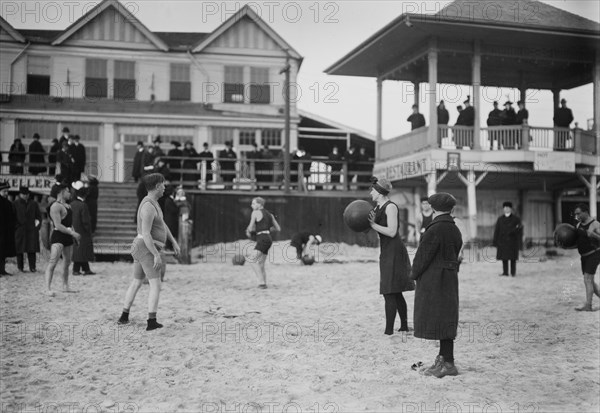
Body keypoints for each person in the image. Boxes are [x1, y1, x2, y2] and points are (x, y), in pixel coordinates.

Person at [117, 173, 180, 330]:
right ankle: (151, 321)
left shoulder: (154, 203)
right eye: (163, 185)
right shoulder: (148, 206)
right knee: (155, 285)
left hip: (141, 247)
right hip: (145, 247)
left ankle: (124, 316)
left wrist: (173, 241)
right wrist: (156, 254)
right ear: (157, 186)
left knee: (137, 282)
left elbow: (162, 224)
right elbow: (146, 234)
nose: (165, 187)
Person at [410, 192, 462, 378]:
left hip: (434, 280)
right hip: (449, 279)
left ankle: (448, 363)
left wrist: (413, 274)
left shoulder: (434, 229)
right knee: (446, 318)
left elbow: (422, 256)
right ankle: (444, 359)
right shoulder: (454, 229)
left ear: (433, 208)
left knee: (439, 318)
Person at [367, 177, 413, 335]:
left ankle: (389, 331)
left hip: (394, 249)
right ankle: (404, 326)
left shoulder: (390, 207)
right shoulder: (377, 207)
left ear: (379, 192)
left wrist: (373, 225)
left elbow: (392, 231)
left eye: (373, 189)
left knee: (389, 290)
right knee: (395, 290)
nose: (370, 192)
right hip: (386, 250)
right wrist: (369, 224)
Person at [44, 183, 81, 296]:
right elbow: (58, 225)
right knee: (53, 262)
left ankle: (65, 286)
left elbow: (69, 223)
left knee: (67, 262)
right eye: (68, 191)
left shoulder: (68, 206)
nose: (70, 193)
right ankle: (47, 288)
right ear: (62, 192)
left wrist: (74, 235)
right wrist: (73, 233)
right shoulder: (55, 206)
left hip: (67, 236)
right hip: (58, 236)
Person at [245, 197, 281, 288]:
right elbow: (278, 228)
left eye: (253, 203)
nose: (251, 205)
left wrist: (249, 231)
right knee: (261, 263)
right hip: (268, 238)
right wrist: (266, 229)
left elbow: (250, 227)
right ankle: (263, 282)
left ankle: (262, 283)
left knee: (251, 259)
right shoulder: (270, 215)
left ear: (259, 204)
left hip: (262, 238)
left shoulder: (255, 213)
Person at [572, 203, 600, 312]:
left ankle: (588, 305)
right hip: (583, 256)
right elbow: (578, 242)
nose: (577, 216)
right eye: (575, 214)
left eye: (579, 213)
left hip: (594, 254)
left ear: (585, 212)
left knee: (587, 279)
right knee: (590, 282)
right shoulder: (578, 225)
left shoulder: (595, 224)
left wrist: (593, 235)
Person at [13, 186, 41, 273]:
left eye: (27, 194)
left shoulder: (33, 203)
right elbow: (13, 217)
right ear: (20, 194)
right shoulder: (15, 204)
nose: (25, 196)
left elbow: (38, 216)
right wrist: (16, 227)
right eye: (23, 194)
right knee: (19, 250)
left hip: (31, 229)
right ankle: (20, 267)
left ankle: (32, 267)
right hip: (20, 229)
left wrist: (36, 227)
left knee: (31, 249)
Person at [70, 182, 95, 276]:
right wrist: (89, 230)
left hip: (74, 229)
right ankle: (76, 269)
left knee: (78, 250)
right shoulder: (83, 205)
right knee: (82, 250)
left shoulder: (72, 204)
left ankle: (86, 268)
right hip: (82, 231)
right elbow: (85, 220)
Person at [492, 201, 523, 277]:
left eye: (508, 208)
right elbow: (497, 230)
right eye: (505, 208)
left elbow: (520, 230)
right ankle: (505, 272)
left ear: (511, 209)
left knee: (513, 258)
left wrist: (514, 232)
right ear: (503, 209)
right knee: (504, 258)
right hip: (502, 242)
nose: (506, 209)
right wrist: (495, 241)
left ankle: (513, 273)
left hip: (512, 242)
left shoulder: (516, 219)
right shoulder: (500, 219)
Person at [0, 181, 17, 276]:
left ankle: (2, 270)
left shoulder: (8, 203)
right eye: (4, 191)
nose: (6, 193)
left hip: (6, 231)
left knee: (3, 252)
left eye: (7, 191)